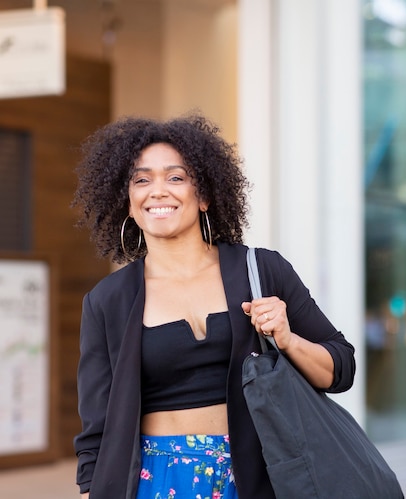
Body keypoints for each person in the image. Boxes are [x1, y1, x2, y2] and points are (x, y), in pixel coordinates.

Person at [72, 113, 356, 499]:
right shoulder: (108, 301)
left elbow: (340, 369)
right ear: (129, 202)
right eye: (142, 180)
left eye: (175, 177)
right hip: (155, 479)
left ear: (203, 195)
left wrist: (288, 339)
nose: (158, 191)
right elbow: (96, 429)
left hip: (261, 473)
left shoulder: (262, 270)